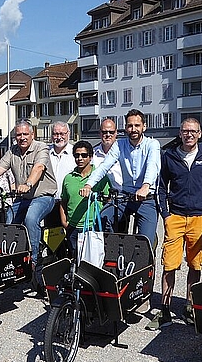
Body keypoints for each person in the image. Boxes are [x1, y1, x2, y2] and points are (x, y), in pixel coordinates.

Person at [151, 118, 202, 329]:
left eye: (193, 131)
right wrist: (165, 214)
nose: (189, 134)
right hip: (175, 216)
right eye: (185, 131)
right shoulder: (169, 156)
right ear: (180, 133)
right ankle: (164, 309)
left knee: (195, 264)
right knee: (169, 264)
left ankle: (190, 306)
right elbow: (161, 186)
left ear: (200, 133)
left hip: (199, 217)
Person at [0, 120, 57, 283]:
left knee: (31, 219)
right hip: (24, 198)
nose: (22, 137)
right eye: (18, 135)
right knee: (9, 221)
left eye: (25, 134)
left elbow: (39, 168)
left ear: (32, 134)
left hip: (44, 196)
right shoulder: (12, 151)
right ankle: (10, 257)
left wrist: (28, 184)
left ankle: (33, 259)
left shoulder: (41, 148)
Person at [81, 109, 161, 249]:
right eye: (130, 126)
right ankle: (114, 251)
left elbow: (152, 166)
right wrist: (89, 185)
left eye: (137, 125)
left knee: (145, 242)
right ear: (125, 128)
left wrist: (146, 185)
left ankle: (146, 262)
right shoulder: (119, 144)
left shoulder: (152, 145)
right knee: (104, 218)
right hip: (126, 195)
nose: (133, 129)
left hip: (146, 197)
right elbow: (104, 166)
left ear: (144, 127)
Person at [60, 140, 110, 260]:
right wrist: (64, 221)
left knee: (93, 262)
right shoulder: (68, 178)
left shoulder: (99, 176)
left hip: (93, 227)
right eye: (77, 155)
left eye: (84, 155)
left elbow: (108, 199)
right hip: (73, 227)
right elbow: (63, 201)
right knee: (75, 260)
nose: (80, 158)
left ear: (91, 157)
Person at [92, 118, 122, 232]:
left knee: (121, 235)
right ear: (100, 133)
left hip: (120, 199)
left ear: (116, 133)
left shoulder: (123, 152)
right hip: (99, 200)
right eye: (104, 132)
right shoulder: (93, 154)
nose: (108, 135)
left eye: (111, 132)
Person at [47, 121, 76, 227]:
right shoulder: (45, 153)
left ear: (68, 134)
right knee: (50, 238)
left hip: (68, 203)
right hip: (49, 202)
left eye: (62, 134)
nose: (59, 137)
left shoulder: (75, 153)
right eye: (55, 134)